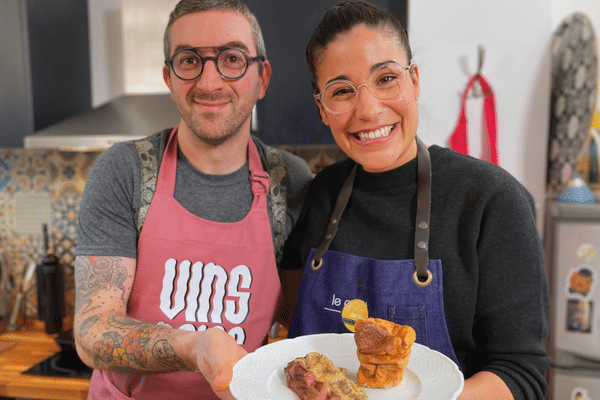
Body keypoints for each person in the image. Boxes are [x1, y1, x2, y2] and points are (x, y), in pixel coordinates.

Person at [278, 2, 550, 399]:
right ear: (322, 107)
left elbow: (520, 375)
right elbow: (290, 324)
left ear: (414, 80)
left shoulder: (491, 200)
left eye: (386, 78)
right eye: (341, 91)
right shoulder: (322, 192)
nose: (369, 110)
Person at [73, 0, 313, 399]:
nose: (210, 82)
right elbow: (92, 332)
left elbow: (299, 317)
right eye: (189, 61)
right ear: (169, 77)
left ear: (262, 77)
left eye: (232, 59)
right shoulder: (125, 171)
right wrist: (192, 346)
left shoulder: (288, 180)